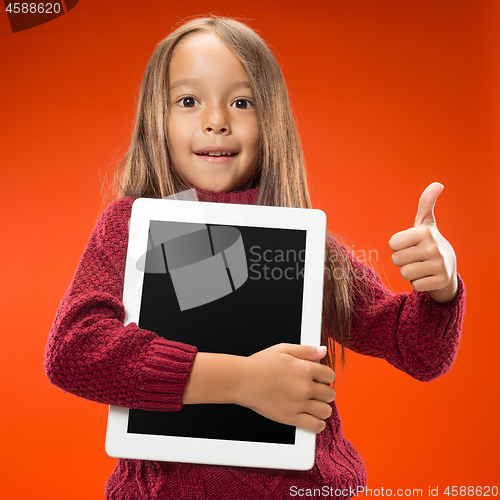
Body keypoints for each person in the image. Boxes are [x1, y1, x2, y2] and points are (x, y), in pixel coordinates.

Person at [44, 16, 465, 499]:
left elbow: (418, 351)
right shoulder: (129, 229)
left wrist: (441, 287)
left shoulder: (305, 245)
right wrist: (241, 381)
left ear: (271, 122)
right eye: (188, 100)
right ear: (156, 121)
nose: (216, 119)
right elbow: (74, 352)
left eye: (241, 102)